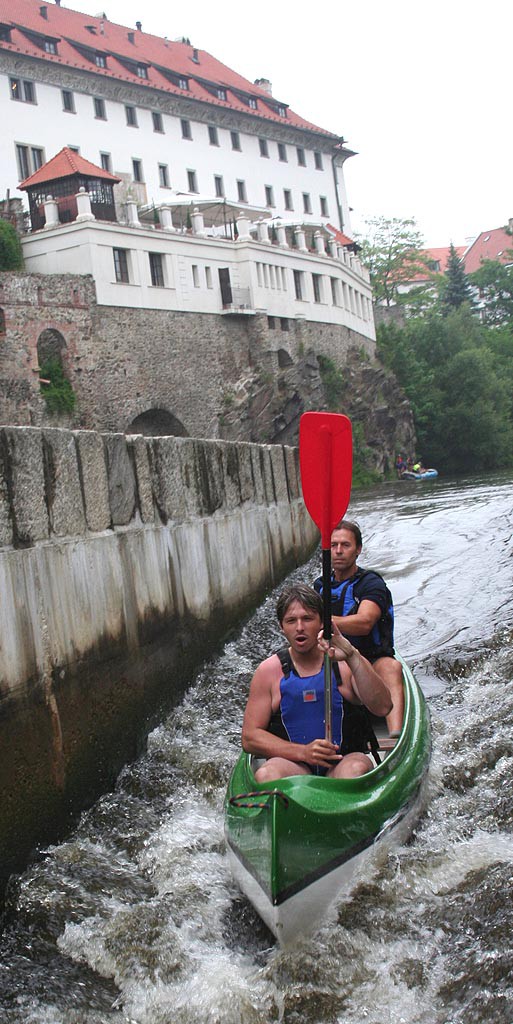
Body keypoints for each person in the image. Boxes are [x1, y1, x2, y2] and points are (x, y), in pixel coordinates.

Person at [241, 584, 392, 781]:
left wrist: (352, 655)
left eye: (307, 618)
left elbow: (383, 707)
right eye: (291, 621)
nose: (300, 628)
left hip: (344, 761)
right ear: (281, 626)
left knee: (354, 769)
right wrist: (303, 752)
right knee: (268, 774)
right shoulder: (268, 672)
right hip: (294, 765)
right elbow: (250, 737)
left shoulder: (345, 663)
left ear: (322, 622)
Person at [313, 520, 404, 735]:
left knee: (392, 668)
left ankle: (396, 738)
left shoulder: (371, 584)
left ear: (358, 550)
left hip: (373, 660)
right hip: (334, 659)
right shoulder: (320, 586)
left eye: (345, 545)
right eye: (333, 546)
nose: (338, 551)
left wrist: (324, 623)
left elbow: (364, 623)